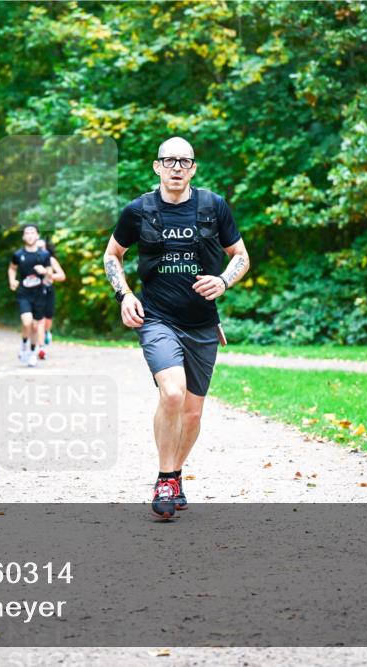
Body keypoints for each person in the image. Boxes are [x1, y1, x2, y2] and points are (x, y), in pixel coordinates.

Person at [103, 137, 250, 520]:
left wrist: (223, 281)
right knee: (172, 392)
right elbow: (113, 255)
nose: (177, 167)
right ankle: (166, 478)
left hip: (202, 324)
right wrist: (125, 296)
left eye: (184, 161)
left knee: (192, 415)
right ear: (157, 167)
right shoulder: (138, 211)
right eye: (169, 160)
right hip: (157, 319)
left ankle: (174, 474)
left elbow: (240, 256)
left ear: (193, 168)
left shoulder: (213, 206)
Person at [8, 224, 51, 367]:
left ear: (37, 236)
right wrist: (12, 280)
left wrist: (44, 271)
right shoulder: (18, 254)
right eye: (27, 233)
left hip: (39, 294)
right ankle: (23, 344)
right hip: (24, 293)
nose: (30, 235)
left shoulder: (44, 255)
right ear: (23, 236)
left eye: (33, 233)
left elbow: (50, 274)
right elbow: (12, 269)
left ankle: (33, 353)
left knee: (34, 326)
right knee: (26, 322)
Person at [36, 238, 65, 357]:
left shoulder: (51, 260)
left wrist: (48, 274)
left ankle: (47, 332)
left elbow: (62, 276)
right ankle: (41, 348)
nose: (40, 250)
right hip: (35, 292)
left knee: (48, 318)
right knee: (39, 320)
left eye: (42, 248)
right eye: (37, 248)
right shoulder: (31, 259)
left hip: (48, 290)